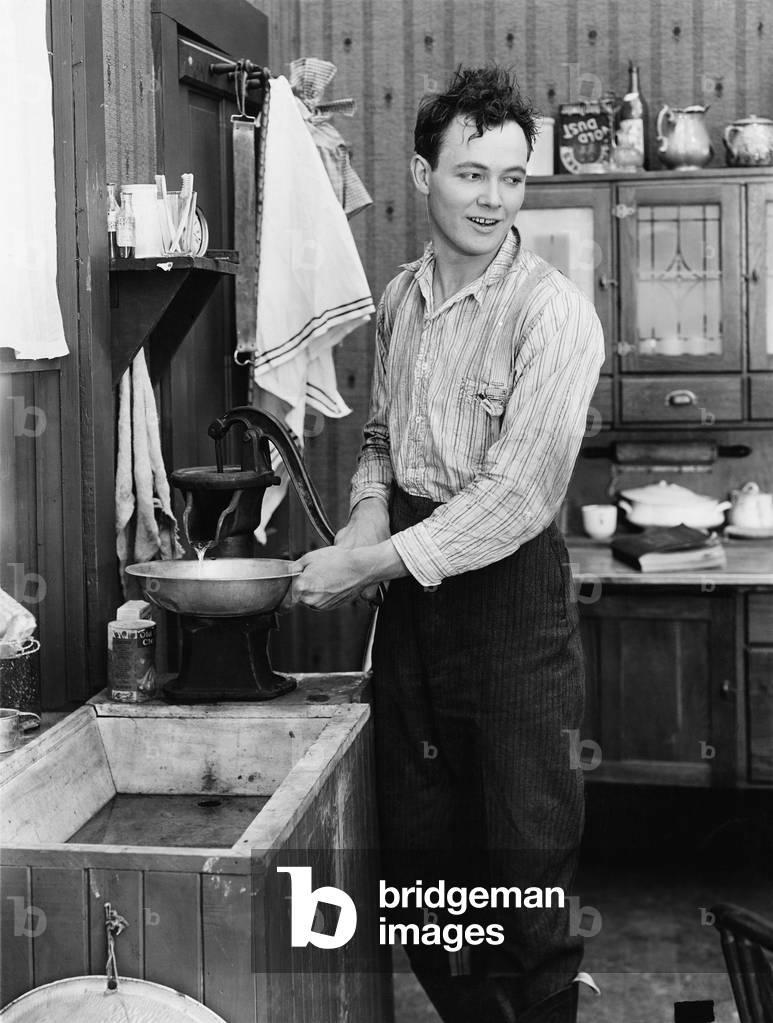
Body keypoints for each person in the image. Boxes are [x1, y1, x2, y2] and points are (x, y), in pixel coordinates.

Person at [286, 65, 605, 1023]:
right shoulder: (398, 297)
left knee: (522, 862)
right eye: (472, 174)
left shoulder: (552, 312)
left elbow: (515, 497)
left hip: (511, 606)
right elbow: (382, 440)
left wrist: (366, 564)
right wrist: (366, 515)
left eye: (511, 178)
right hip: (414, 607)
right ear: (424, 172)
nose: (493, 199)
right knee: (424, 868)